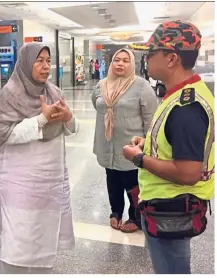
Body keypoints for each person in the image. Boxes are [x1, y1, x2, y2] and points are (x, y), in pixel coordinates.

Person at [122, 20, 214, 274]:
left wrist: (139, 158)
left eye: (152, 53)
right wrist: (148, 145)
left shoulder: (187, 107)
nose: (147, 59)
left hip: (172, 210)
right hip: (166, 207)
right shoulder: (179, 94)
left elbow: (187, 173)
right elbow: (174, 144)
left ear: (171, 58)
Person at [0, 42, 78, 274]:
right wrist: (40, 120)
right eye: (39, 61)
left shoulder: (54, 92)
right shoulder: (10, 94)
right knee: (19, 239)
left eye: (48, 61)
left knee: (44, 237)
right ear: (26, 63)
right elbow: (4, 135)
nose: (45, 66)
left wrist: (68, 117)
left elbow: (70, 127)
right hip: (20, 181)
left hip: (49, 181)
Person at [92, 48, 157, 233]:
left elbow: (151, 119)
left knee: (132, 183)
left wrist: (147, 144)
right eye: (116, 60)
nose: (120, 64)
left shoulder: (142, 86)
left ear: (132, 64)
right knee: (112, 180)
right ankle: (116, 212)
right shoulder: (102, 85)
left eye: (125, 60)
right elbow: (97, 105)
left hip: (131, 147)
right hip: (107, 143)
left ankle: (136, 216)